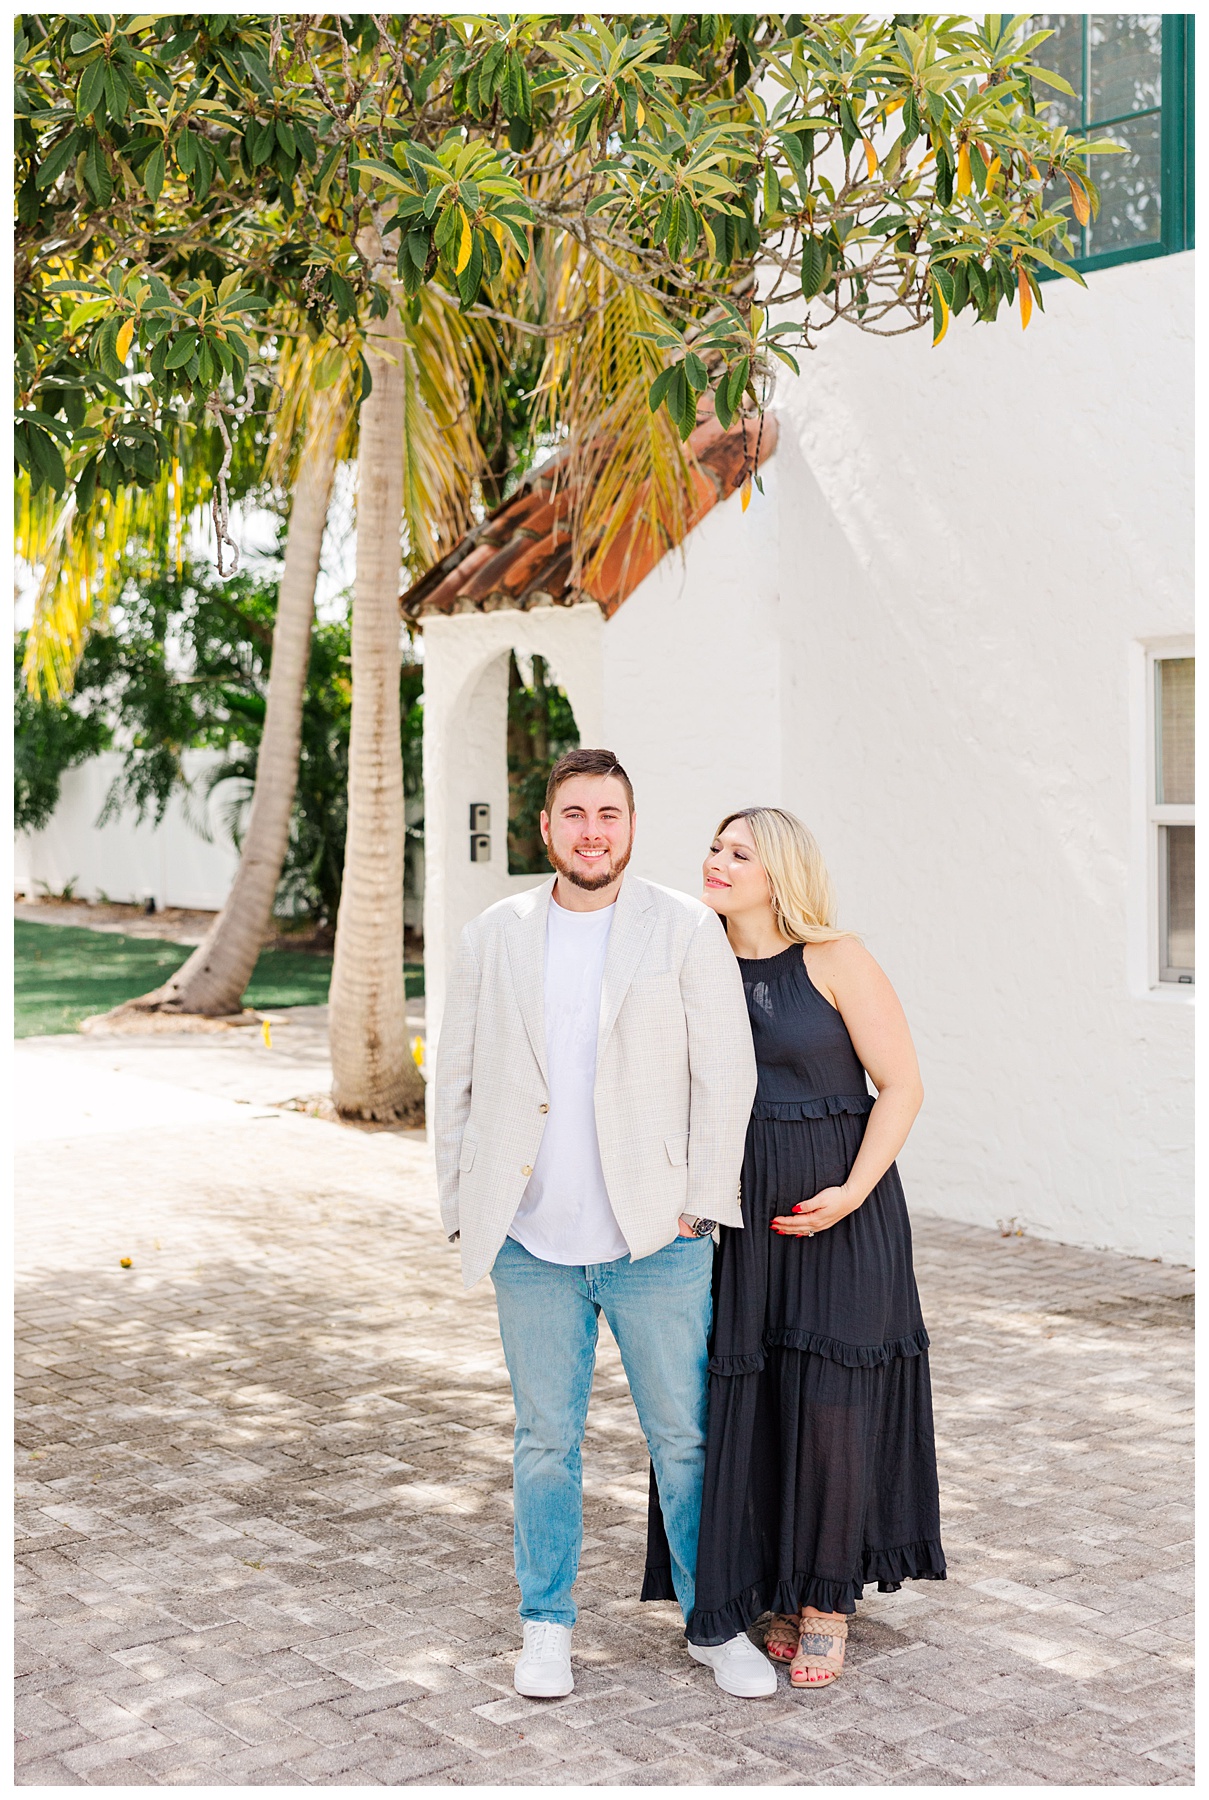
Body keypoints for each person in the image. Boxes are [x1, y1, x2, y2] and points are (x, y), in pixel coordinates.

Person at [434, 749, 776, 1701]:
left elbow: (727, 1074)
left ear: (631, 826)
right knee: (545, 1440)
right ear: (545, 828)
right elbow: (453, 1079)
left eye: (609, 815)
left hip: (654, 1242)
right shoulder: (494, 934)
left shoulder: (681, 929)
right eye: (574, 814)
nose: (592, 831)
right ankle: (545, 1626)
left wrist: (700, 1203)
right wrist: (465, 1209)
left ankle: (715, 1627)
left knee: (686, 1438)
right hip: (529, 1243)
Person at [644, 806, 945, 1688]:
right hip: (738, 1219)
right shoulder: (690, 960)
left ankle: (825, 1603)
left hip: (841, 1208)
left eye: (739, 852)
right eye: (713, 847)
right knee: (752, 1393)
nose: (716, 861)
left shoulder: (834, 958)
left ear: (779, 873)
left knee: (830, 1402)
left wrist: (850, 1192)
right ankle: (767, 1584)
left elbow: (901, 1085)